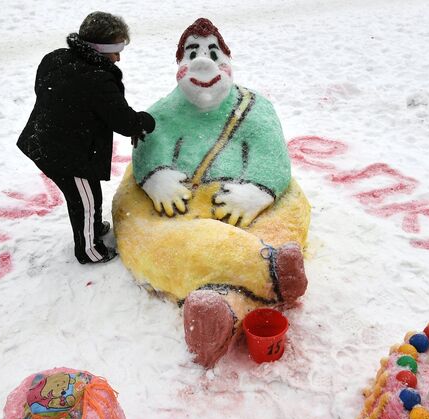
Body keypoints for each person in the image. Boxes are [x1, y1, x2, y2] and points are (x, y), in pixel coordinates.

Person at [113, 18, 310, 367]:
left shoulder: (253, 108)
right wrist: (155, 177)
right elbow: (149, 149)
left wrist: (258, 191)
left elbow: (272, 156)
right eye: (193, 53)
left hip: (243, 199)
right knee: (148, 233)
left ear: (227, 64)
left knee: (281, 216)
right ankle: (271, 271)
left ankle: (219, 311)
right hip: (179, 207)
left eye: (212, 53)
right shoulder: (163, 111)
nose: (203, 62)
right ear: (179, 67)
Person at [17, 12, 155, 264]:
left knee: (87, 196)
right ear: (100, 48)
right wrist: (148, 120)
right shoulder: (97, 79)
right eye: (116, 49)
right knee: (84, 200)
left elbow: (46, 91)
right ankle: (89, 250)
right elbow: (124, 122)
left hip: (43, 139)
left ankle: (91, 228)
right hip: (67, 154)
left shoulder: (56, 58)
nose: (119, 57)